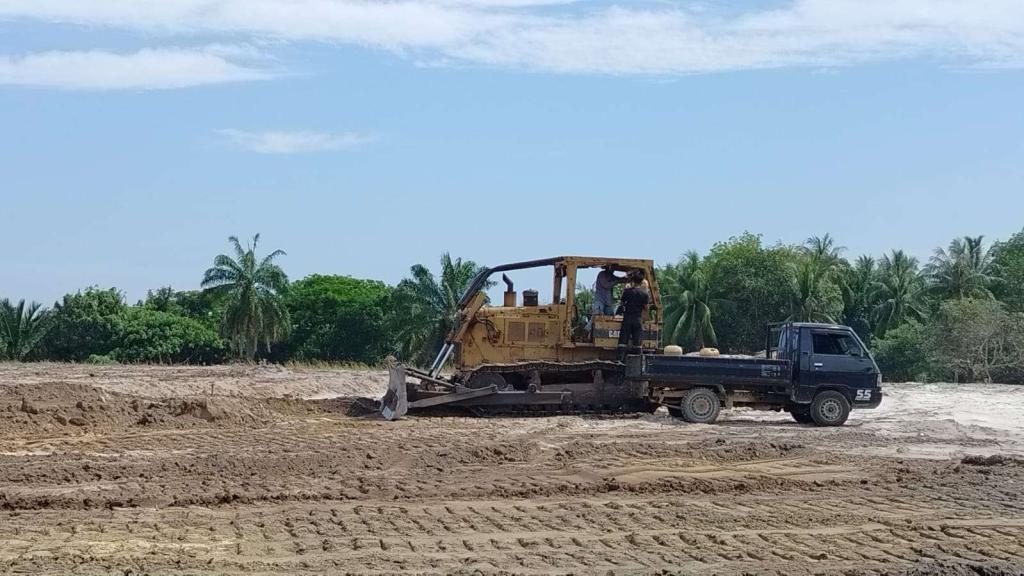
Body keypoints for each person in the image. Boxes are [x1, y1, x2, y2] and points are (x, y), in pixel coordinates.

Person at [617, 276, 650, 362]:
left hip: (627, 318)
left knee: (623, 341)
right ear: (641, 281)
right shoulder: (644, 294)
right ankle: (636, 362)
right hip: (637, 319)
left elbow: (622, 303)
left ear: (633, 281)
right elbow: (646, 308)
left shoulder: (627, 292)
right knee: (637, 342)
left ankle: (620, 360)